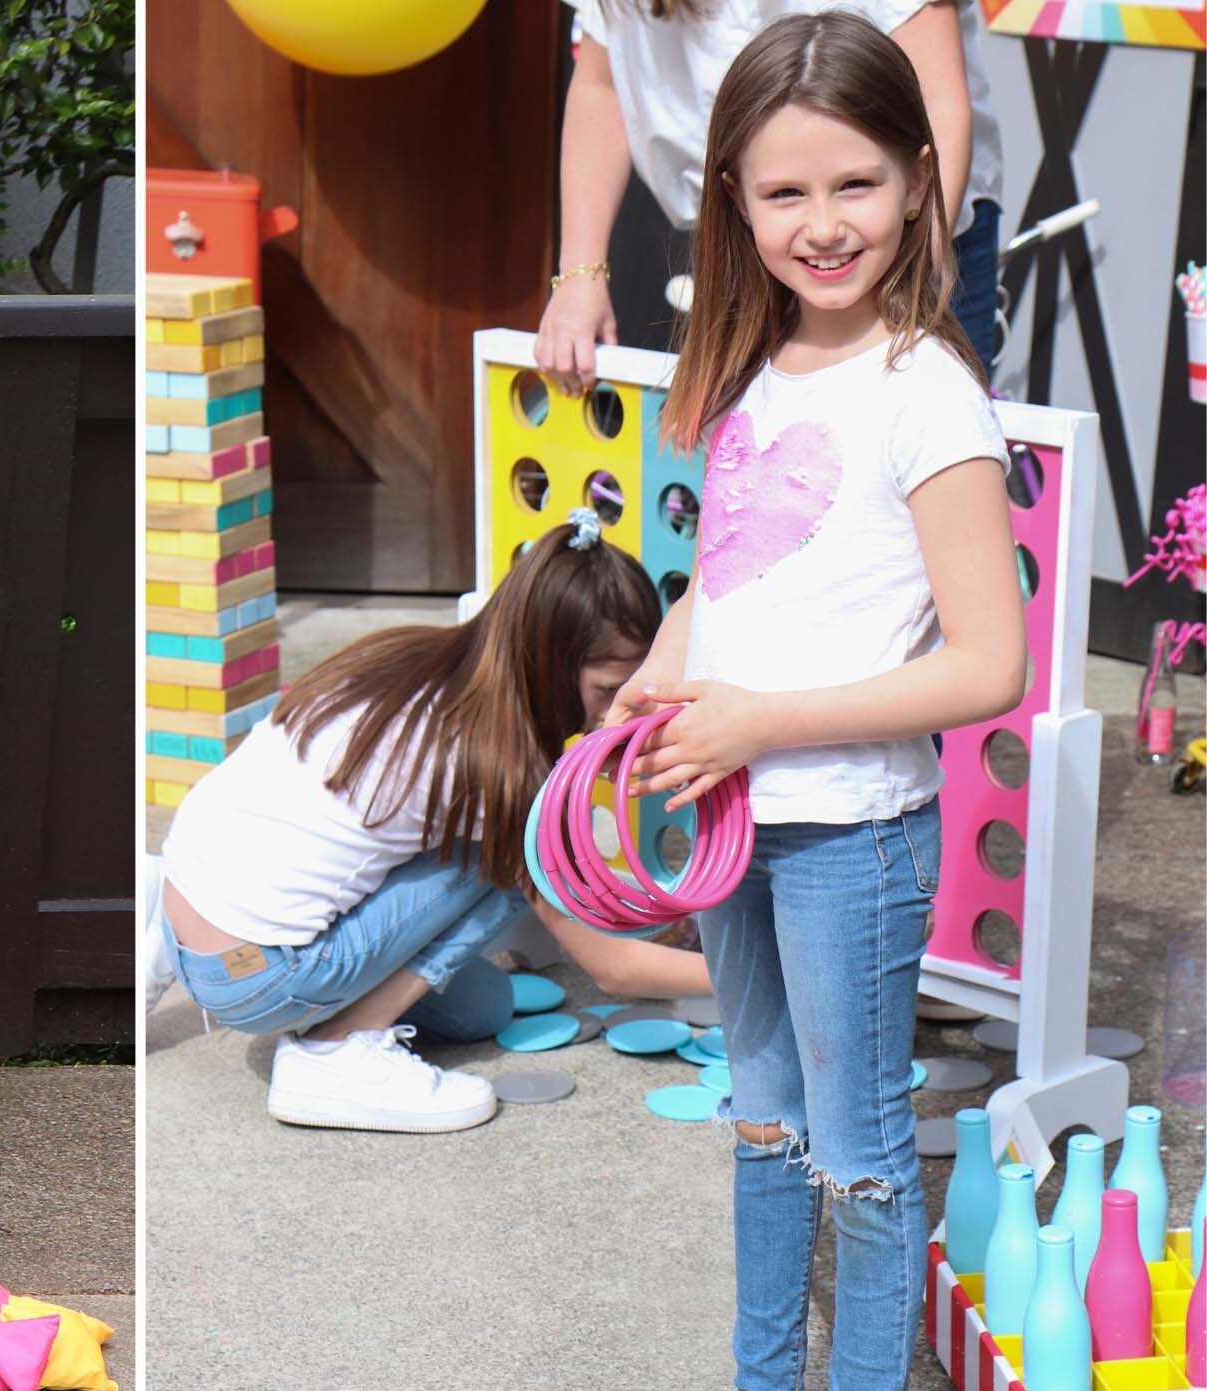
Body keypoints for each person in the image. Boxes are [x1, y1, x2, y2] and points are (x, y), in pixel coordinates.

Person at [605, 15, 1024, 1387]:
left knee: (860, 1153)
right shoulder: (749, 373)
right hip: (733, 814)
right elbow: (731, 576)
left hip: (852, 832)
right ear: (731, 196)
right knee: (764, 1121)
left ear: (920, 178)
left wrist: (763, 721)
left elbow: (989, 665)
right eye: (785, 191)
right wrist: (665, 677)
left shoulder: (930, 396)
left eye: (855, 184)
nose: (823, 223)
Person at [153, 515, 718, 1135]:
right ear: (551, 663)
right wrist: (740, 978)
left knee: (485, 1008)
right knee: (520, 852)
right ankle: (335, 1049)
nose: (617, 712)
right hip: (258, 975)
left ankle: (157, 929)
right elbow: (612, 970)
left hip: (198, 895)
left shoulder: (417, 660)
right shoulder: (496, 768)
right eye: (608, 689)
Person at [540, 0, 1006, 395]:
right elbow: (602, 80)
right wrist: (580, 274)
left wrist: (916, 275)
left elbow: (938, 98)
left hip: (903, 242)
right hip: (755, 247)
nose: (824, 229)